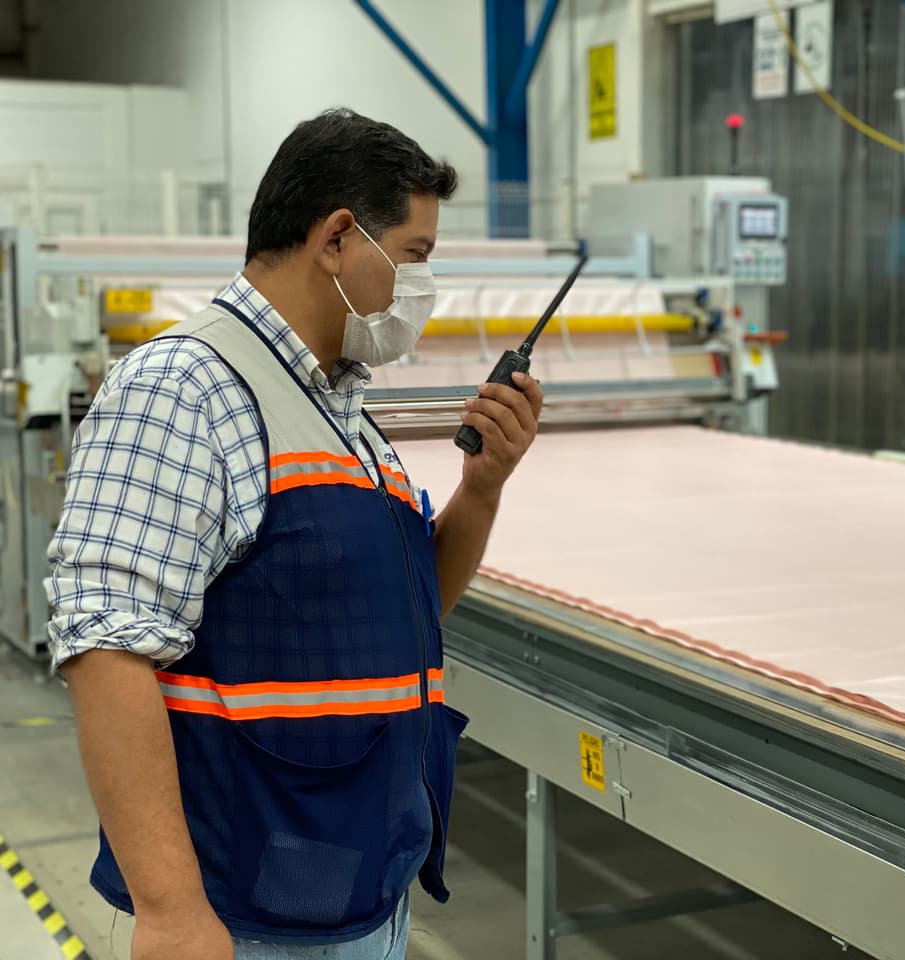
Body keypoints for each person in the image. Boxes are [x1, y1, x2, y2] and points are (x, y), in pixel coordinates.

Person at [45, 109, 543, 960]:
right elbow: (106, 649)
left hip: (348, 887)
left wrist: (482, 491)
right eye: (415, 256)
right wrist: (170, 912)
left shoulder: (337, 406)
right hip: (243, 914)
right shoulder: (184, 388)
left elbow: (404, 611)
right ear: (340, 238)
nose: (422, 286)